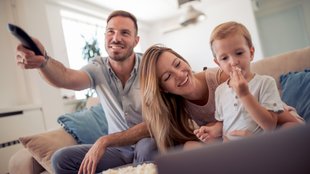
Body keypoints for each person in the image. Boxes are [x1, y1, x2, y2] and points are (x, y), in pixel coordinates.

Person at [16, 10, 157, 174]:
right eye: (111, 32)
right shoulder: (98, 68)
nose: (116, 38)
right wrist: (43, 61)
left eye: (125, 33)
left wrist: (104, 141)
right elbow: (66, 77)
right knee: (61, 159)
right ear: (105, 36)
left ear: (136, 40)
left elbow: (156, 123)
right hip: (118, 151)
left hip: (148, 142)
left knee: (147, 146)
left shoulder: (151, 66)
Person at [140, 43, 303, 152]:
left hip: (269, 123)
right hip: (233, 135)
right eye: (168, 76)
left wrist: (260, 141)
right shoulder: (177, 106)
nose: (179, 75)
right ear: (162, 89)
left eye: (177, 64)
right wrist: (215, 129)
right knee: (189, 146)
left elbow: (275, 115)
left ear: (184, 60)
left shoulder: (223, 79)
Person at [211, 21, 282, 141]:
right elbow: (223, 122)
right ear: (218, 63)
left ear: (251, 53)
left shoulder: (266, 82)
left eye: (239, 53)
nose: (233, 62)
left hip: (257, 148)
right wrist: (213, 130)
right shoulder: (220, 91)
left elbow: (270, 126)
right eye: (224, 58)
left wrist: (244, 94)